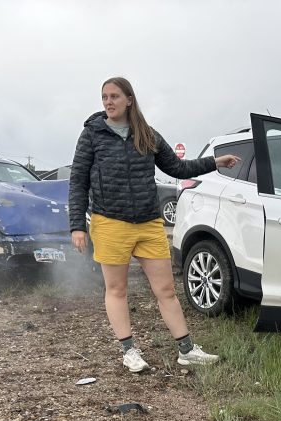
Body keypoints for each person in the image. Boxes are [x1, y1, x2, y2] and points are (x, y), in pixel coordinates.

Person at [68, 76, 240, 373]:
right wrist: (77, 225)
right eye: (104, 97)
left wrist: (215, 162)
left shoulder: (147, 134)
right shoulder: (92, 135)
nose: (108, 102)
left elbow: (178, 167)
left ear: (129, 100)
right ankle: (129, 350)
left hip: (148, 223)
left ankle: (186, 350)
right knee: (117, 289)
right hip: (110, 222)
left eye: (114, 97)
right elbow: (78, 181)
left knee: (166, 290)